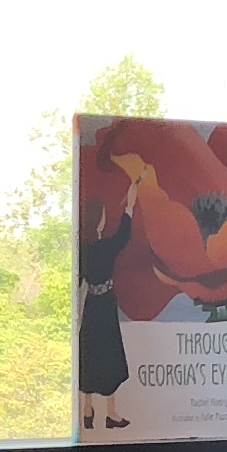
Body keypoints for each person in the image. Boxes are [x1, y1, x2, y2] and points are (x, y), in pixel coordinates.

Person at [75, 182, 134, 432]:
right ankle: (110, 412)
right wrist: (130, 204)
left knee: (89, 352)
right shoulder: (105, 247)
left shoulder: (83, 250)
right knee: (109, 355)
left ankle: (87, 410)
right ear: (99, 220)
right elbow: (124, 234)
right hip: (106, 304)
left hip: (91, 304)